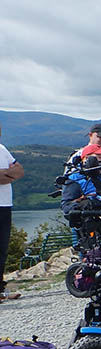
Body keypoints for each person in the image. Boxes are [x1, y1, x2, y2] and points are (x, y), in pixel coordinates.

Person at [0, 122, 24, 301]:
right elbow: (11, 173)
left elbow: (19, 171)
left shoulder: (2, 149)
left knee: (2, 248)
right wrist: (8, 174)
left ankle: (1, 290)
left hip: (5, 204)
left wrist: (4, 174)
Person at [60, 144, 101, 215]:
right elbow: (66, 207)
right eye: (99, 156)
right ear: (86, 159)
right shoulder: (74, 179)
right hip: (88, 219)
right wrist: (83, 204)